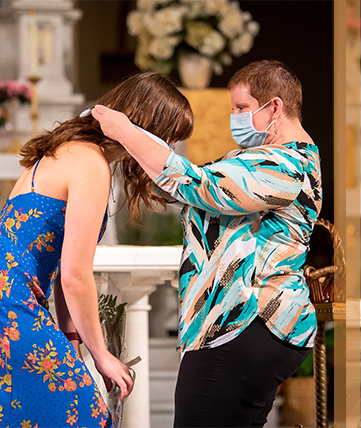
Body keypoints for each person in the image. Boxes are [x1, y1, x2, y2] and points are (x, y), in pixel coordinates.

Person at [91, 59, 322, 427]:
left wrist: (125, 130)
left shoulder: (287, 165)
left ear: (275, 107)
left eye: (242, 108)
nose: (235, 118)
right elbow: (188, 186)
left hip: (247, 319)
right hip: (241, 325)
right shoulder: (258, 158)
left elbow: (200, 184)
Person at [0, 71, 193, 427]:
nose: (166, 149)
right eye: (168, 136)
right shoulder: (91, 163)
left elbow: (62, 270)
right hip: (6, 304)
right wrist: (101, 354)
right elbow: (75, 275)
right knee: (83, 415)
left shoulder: (64, 150)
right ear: (145, 124)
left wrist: (74, 338)